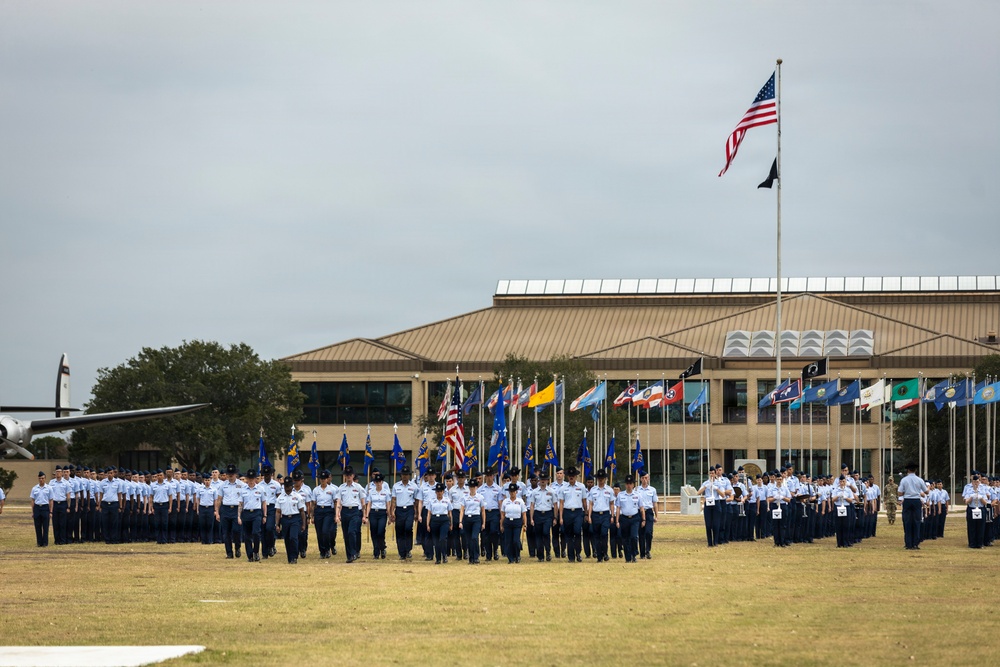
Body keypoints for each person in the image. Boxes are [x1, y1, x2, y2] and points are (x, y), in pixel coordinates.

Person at [336, 466, 366, 563]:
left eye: (350, 475)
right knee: (346, 534)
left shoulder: (358, 487)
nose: (348, 476)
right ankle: (349, 556)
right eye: (347, 475)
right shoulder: (341, 488)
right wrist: (337, 515)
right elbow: (338, 503)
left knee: (351, 532)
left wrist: (365, 515)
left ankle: (354, 552)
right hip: (345, 511)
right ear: (345, 476)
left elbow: (363, 502)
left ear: (353, 476)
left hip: (355, 512)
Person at [274, 476, 307, 563]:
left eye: (289, 486)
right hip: (285, 519)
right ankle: (290, 557)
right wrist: (277, 524)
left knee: (293, 537)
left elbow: (302, 511)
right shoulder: (280, 498)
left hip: (295, 519)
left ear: (292, 486)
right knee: (287, 539)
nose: (287, 488)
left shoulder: (298, 496)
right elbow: (278, 512)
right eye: (285, 486)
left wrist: (303, 524)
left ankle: (294, 556)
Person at [215, 464, 245, 559]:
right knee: (226, 532)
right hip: (226, 509)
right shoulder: (223, 485)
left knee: (237, 530)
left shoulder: (242, 485)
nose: (231, 475)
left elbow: (244, 498)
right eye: (229, 473)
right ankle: (229, 553)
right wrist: (217, 512)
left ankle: (237, 547)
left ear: (235, 474)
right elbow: (219, 499)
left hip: (237, 510)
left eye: (232, 473)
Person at [559, 467, 587, 562]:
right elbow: (561, 503)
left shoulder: (581, 487)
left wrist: (586, 513)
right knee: (569, 535)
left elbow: (584, 501)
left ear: (576, 477)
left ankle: (578, 552)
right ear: (567, 477)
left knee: (577, 531)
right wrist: (561, 517)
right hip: (567, 512)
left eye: (573, 476)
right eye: (570, 476)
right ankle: (571, 556)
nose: (571, 477)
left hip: (578, 512)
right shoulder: (563, 488)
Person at [390, 465, 418, 560]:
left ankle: (408, 549)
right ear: (401, 475)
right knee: (400, 530)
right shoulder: (396, 486)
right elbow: (393, 500)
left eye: (406, 474)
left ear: (409, 476)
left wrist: (416, 513)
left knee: (408, 528)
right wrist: (392, 512)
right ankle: (401, 552)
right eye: (403, 474)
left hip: (409, 509)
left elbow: (416, 501)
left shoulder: (414, 486)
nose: (405, 476)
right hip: (399, 509)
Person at [897, 462, 927, 550]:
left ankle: (908, 543)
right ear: (916, 470)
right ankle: (915, 543)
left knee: (907, 521)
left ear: (908, 470)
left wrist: (906, 492)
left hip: (907, 500)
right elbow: (926, 491)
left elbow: (900, 492)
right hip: (917, 501)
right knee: (917, 521)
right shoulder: (920, 480)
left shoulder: (904, 480)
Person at [238, 469, 266, 562]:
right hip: (246, 513)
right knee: (247, 535)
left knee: (256, 533)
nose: (250, 480)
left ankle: (256, 552)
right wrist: (238, 516)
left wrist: (264, 515)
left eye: (252, 478)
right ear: (246, 479)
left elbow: (264, 503)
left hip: (257, 512)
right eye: (249, 478)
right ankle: (249, 555)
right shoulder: (243, 490)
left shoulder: (260, 489)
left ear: (255, 479)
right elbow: (240, 504)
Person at [615, 475, 643, 563]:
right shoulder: (620, 495)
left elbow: (641, 508)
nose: (629, 485)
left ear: (633, 485)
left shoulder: (637, 495)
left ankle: (634, 554)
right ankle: (628, 556)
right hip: (624, 518)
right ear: (625, 484)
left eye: (630, 483)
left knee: (634, 537)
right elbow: (618, 508)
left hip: (634, 518)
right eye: (627, 483)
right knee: (625, 538)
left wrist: (644, 519)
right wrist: (617, 520)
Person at [529, 472, 557, 562]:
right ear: (539, 480)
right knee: (538, 535)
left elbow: (555, 505)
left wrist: (555, 517)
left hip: (548, 514)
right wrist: (531, 518)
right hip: (538, 514)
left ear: (547, 480)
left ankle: (548, 552)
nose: (543, 481)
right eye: (541, 480)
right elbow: (532, 505)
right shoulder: (534, 492)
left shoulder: (551, 491)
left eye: (544, 480)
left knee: (546, 533)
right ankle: (540, 556)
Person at [693, 468, 724, 547]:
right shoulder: (705, 483)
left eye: (713, 473)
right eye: (710, 473)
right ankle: (709, 543)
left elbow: (723, 495)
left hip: (716, 502)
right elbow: (698, 493)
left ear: (715, 474)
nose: (711, 475)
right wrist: (705, 487)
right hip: (708, 503)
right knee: (708, 524)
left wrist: (716, 488)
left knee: (716, 524)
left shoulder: (718, 483)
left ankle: (715, 542)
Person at [312, 470, 338, 559]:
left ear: (327, 479)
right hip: (319, 510)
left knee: (325, 531)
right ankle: (322, 551)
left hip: (328, 511)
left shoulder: (332, 489)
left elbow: (335, 502)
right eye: (321, 479)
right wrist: (312, 515)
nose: (322, 480)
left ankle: (327, 549)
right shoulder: (316, 490)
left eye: (324, 479)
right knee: (319, 533)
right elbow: (313, 504)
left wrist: (336, 514)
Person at [424, 482, 453, 564]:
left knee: (442, 539)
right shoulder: (431, 501)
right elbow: (429, 513)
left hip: (444, 520)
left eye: (440, 491)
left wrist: (451, 524)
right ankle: (438, 558)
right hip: (434, 520)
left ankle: (444, 555)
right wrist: (427, 524)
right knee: (436, 540)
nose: (439, 493)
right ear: (435, 492)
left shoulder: (447, 500)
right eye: (437, 491)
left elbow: (450, 513)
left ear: (443, 492)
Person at [366, 472, 391, 559]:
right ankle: (376, 551)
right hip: (373, 512)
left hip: (382, 513)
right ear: (375, 483)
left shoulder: (386, 492)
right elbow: (369, 504)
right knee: (374, 532)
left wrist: (389, 516)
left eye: (380, 481)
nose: (378, 483)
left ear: (382, 482)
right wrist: (366, 515)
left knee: (380, 531)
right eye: (377, 482)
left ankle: (382, 547)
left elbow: (388, 504)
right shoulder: (371, 492)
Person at [500, 482, 527, 563]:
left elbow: (524, 513)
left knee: (515, 540)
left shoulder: (520, 501)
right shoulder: (505, 501)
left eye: (513, 491)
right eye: (510, 491)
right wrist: (501, 524)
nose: (512, 493)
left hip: (517, 522)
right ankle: (510, 558)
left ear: (516, 492)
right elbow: (503, 514)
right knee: (508, 541)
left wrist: (525, 524)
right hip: (508, 521)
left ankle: (517, 555)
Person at [479, 468, 503, 561]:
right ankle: (488, 554)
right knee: (486, 534)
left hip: (494, 512)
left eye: (490, 475)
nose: (489, 478)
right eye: (487, 476)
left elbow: (500, 502)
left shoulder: (498, 489)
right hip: (485, 513)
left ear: (493, 476)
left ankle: (495, 550)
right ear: (485, 477)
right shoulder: (481, 489)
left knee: (494, 532)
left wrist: (501, 515)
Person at [461, 476, 484, 565]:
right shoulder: (465, 497)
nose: (472, 488)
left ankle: (476, 556)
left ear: (476, 487)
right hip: (467, 518)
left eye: (474, 487)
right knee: (469, 539)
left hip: (476, 518)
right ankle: (471, 557)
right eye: (471, 487)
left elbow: (482, 510)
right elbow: (462, 509)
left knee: (475, 538)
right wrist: (460, 521)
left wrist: (483, 523)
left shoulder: (480, 497)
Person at [962, 473, 989, 549]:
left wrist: (980, 498)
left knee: (981, 526)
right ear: (972, 482)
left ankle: (980, 543)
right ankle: (972, 543)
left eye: (977, 482)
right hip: (972, 508)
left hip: (981, 508)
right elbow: (966, 501)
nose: (976, 483)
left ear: (979, 481)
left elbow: (985, 502)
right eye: (974, 482)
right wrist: (971, 497)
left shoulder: (982, 489)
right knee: (971, 526)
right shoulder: (968, 489)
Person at [260, 465, 281, 558]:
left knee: (269, 528)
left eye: (268, 474)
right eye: (265, 474)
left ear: (271, 474)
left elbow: (279, 498)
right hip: (262, 507)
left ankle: (271, 546)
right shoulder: (260, 485)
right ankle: (265, 552)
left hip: (272, 507)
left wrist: (279, 510)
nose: (267, 476)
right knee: (263, 530)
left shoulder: (276, 485)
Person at [831, 476, 856, 548]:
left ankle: (845, 542)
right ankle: (839, 543)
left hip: (846, 507)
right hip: (838, 506)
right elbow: (833, 499)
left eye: (843, 481)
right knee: (838, 525)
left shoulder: (848, 490)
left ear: (845, 482)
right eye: (841, 481)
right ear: (839, 482)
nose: (842, 483)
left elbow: (851, 500)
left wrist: (845, 497)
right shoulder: (836, 489)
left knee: (846, 525)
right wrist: (838, 496)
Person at [30, 471, 51, 547]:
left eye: (42, 478)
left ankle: (45, 543)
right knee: (37, 526)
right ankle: (39, 543)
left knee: (45, 527)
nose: (41, 480)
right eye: (40, 478)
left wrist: (50, 511)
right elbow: (32, 500)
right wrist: (33, 511)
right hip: (37, 507)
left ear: (45, 479)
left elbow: (51, 500)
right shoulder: (34, 488)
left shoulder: (49, 488)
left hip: (45, 507)